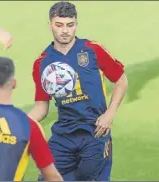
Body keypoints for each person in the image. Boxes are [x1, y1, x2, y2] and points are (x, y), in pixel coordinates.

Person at [28, 1, 128, 181]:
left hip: (94, 133)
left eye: (70, 25)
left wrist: (110, 114)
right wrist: (17, 123)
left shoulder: (92, 50)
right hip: (63, 136)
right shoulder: (42, 63)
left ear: (76, 24)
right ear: (50, 24)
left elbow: (121, 80)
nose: (65, 30)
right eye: (59, 25)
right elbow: (41, 107)